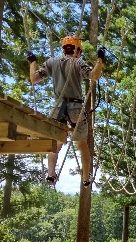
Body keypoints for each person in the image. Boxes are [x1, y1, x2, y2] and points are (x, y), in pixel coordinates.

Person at [27, 35, 105, 187]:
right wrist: (100, 60)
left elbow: (34, 79)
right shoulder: (78, 62)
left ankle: (50, 174)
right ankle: (86, 178)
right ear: (78, 50)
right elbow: (94, 76)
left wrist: (32, 62)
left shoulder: (52, 62)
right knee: (82, 146)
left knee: (55, 144)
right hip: (76, 108)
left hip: (58, 108)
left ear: (63, 49)